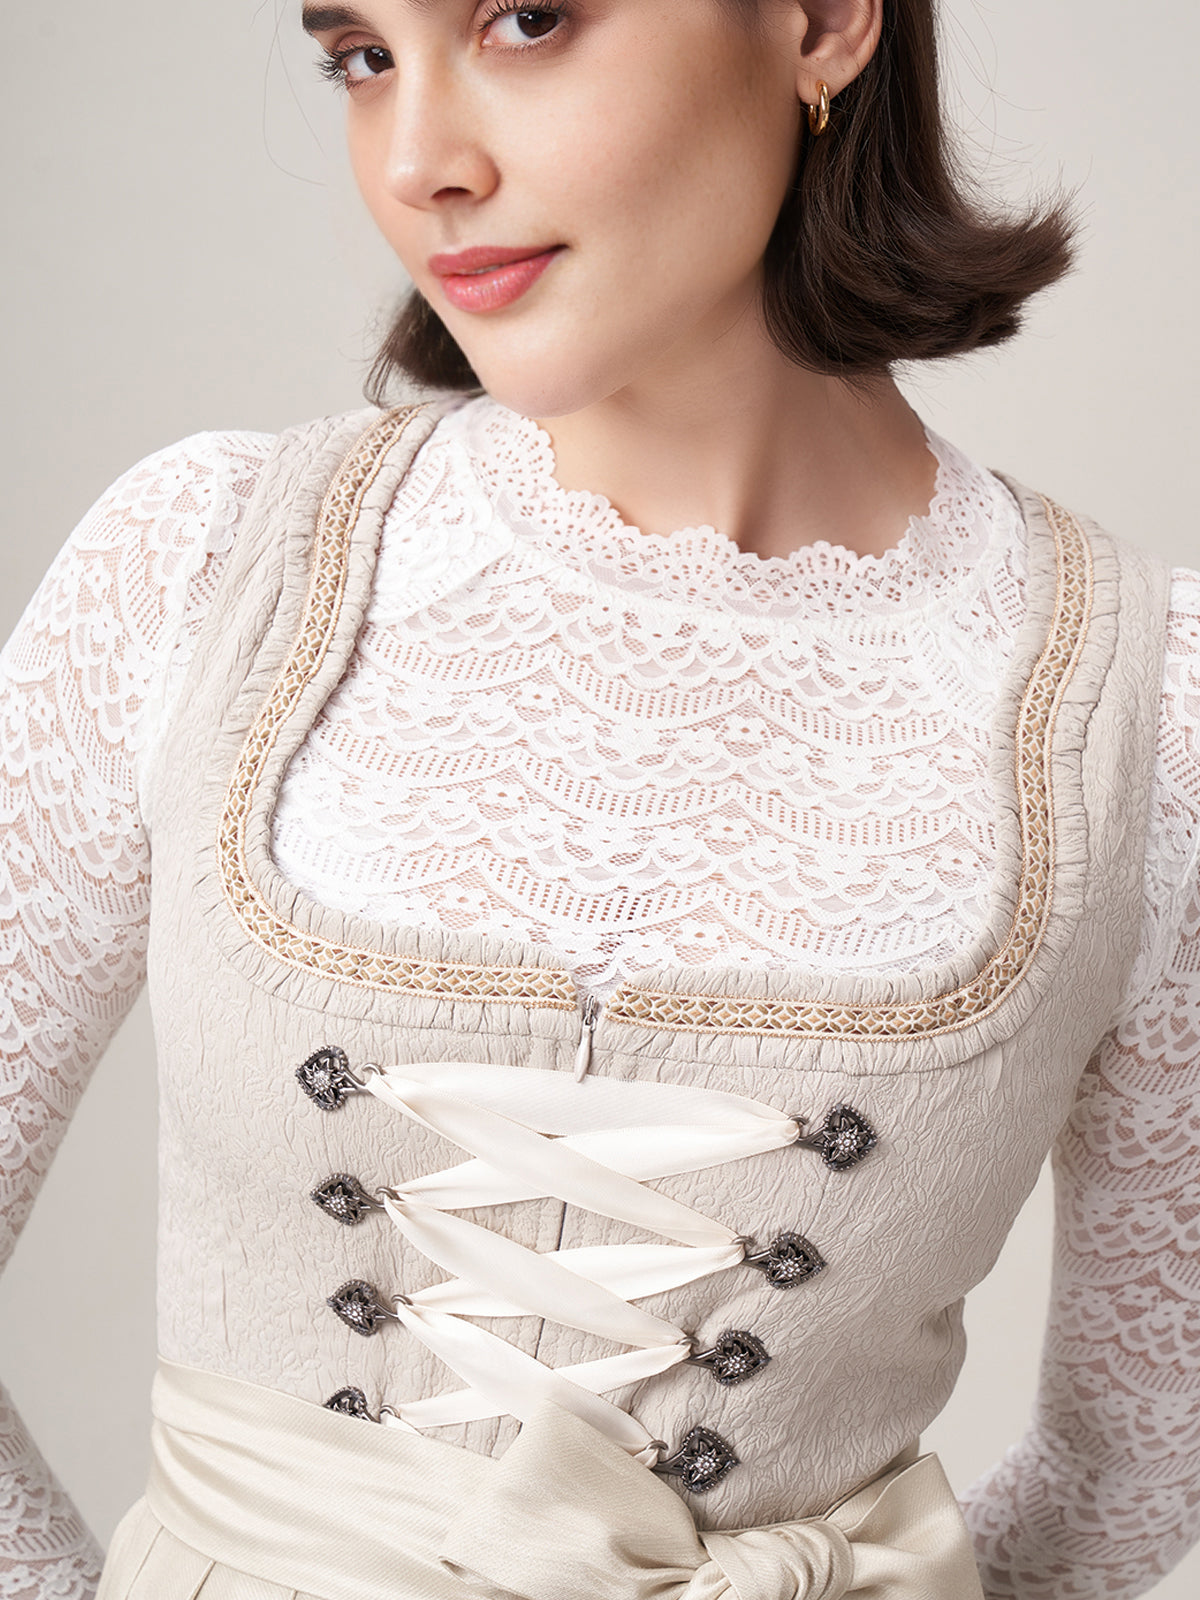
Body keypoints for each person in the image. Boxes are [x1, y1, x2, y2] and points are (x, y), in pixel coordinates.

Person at [1, 0, 1197, 1597]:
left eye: (527, 19)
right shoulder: (199, 565)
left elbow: (1140, 1461)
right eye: (363, 57)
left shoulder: (1154, 720)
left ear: (824, 23)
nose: (418, 161)